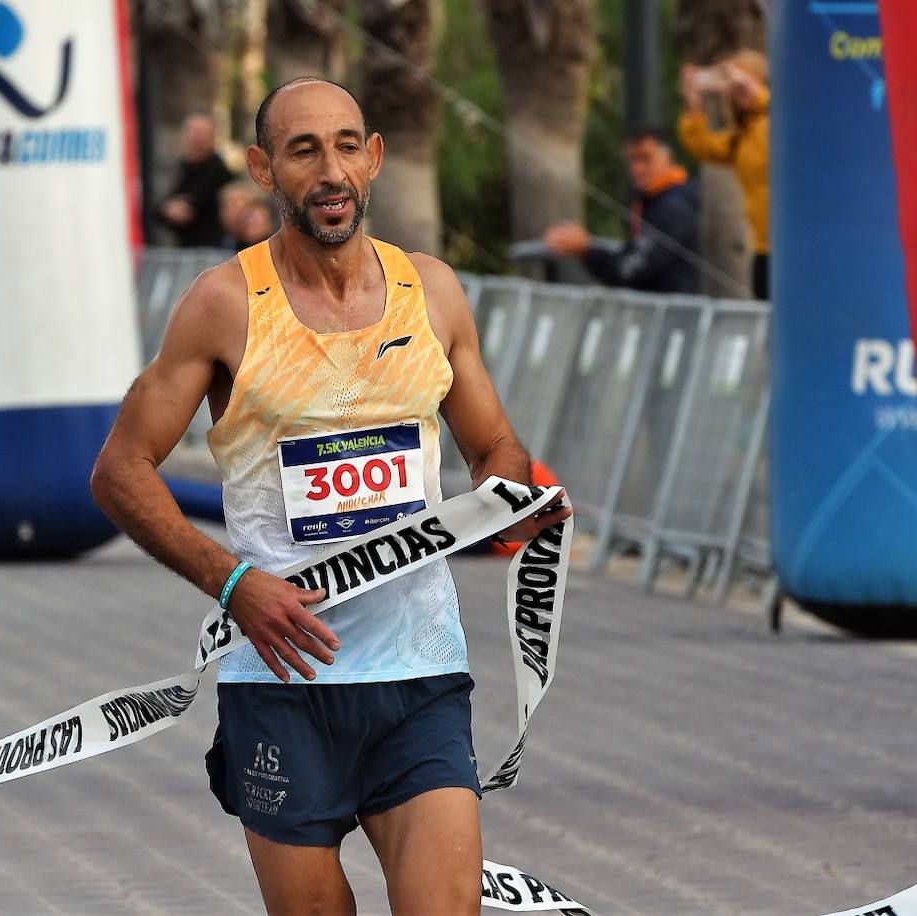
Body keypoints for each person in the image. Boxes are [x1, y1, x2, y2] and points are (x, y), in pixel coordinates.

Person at [90, 77, 568, 915]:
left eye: (347, 145)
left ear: (374, 158)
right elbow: (120, 470)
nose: (330, 170)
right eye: (303, 150)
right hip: (281, 683)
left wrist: (516, 497)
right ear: (263, 168)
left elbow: (494, 444)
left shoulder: (433, 293)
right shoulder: (224, 305)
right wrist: (235, 586)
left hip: (419, 674)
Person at [543, 129, 700, 294]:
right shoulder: (660, 200)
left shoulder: (673, 208)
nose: (637, 169)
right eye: (631, 160)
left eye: (646, 158)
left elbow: (629, 270)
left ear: (667, 157)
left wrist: (586, 250)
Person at [677, 50, 771, 300]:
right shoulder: (744, 133)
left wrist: (756, 94)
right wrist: (694, 106)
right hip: (764, 247)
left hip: (793, 246)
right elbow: (706, 146)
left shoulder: (775, 119)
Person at [157, 113, 234, 248]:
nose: (198, 138)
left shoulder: (219, 171)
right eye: (194, 132)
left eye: (203, 133)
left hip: (212, 249)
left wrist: (178, 207)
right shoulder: (182, 168)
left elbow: (194, 205)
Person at [218, 180, 261, 251]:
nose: (237, 213)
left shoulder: (261, 244)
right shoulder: (219, 239)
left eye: (243, 207)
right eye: (231, 206)